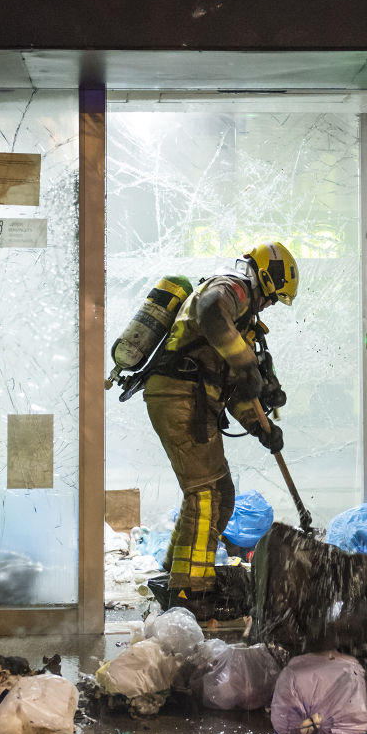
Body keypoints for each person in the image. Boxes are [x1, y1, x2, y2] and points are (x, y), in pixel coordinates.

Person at [142, 240, 298, 618]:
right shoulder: (230, 288)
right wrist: (247, 364)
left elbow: (234, 391)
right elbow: (211, 312)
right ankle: (190, 592)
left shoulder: (240, 321)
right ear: (264, 277)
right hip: (180, 397)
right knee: (206, 493)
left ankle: (175, 569)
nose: (270, 305)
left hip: (189, 400)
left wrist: (262, 429)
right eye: (273, 297)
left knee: (219, 493)